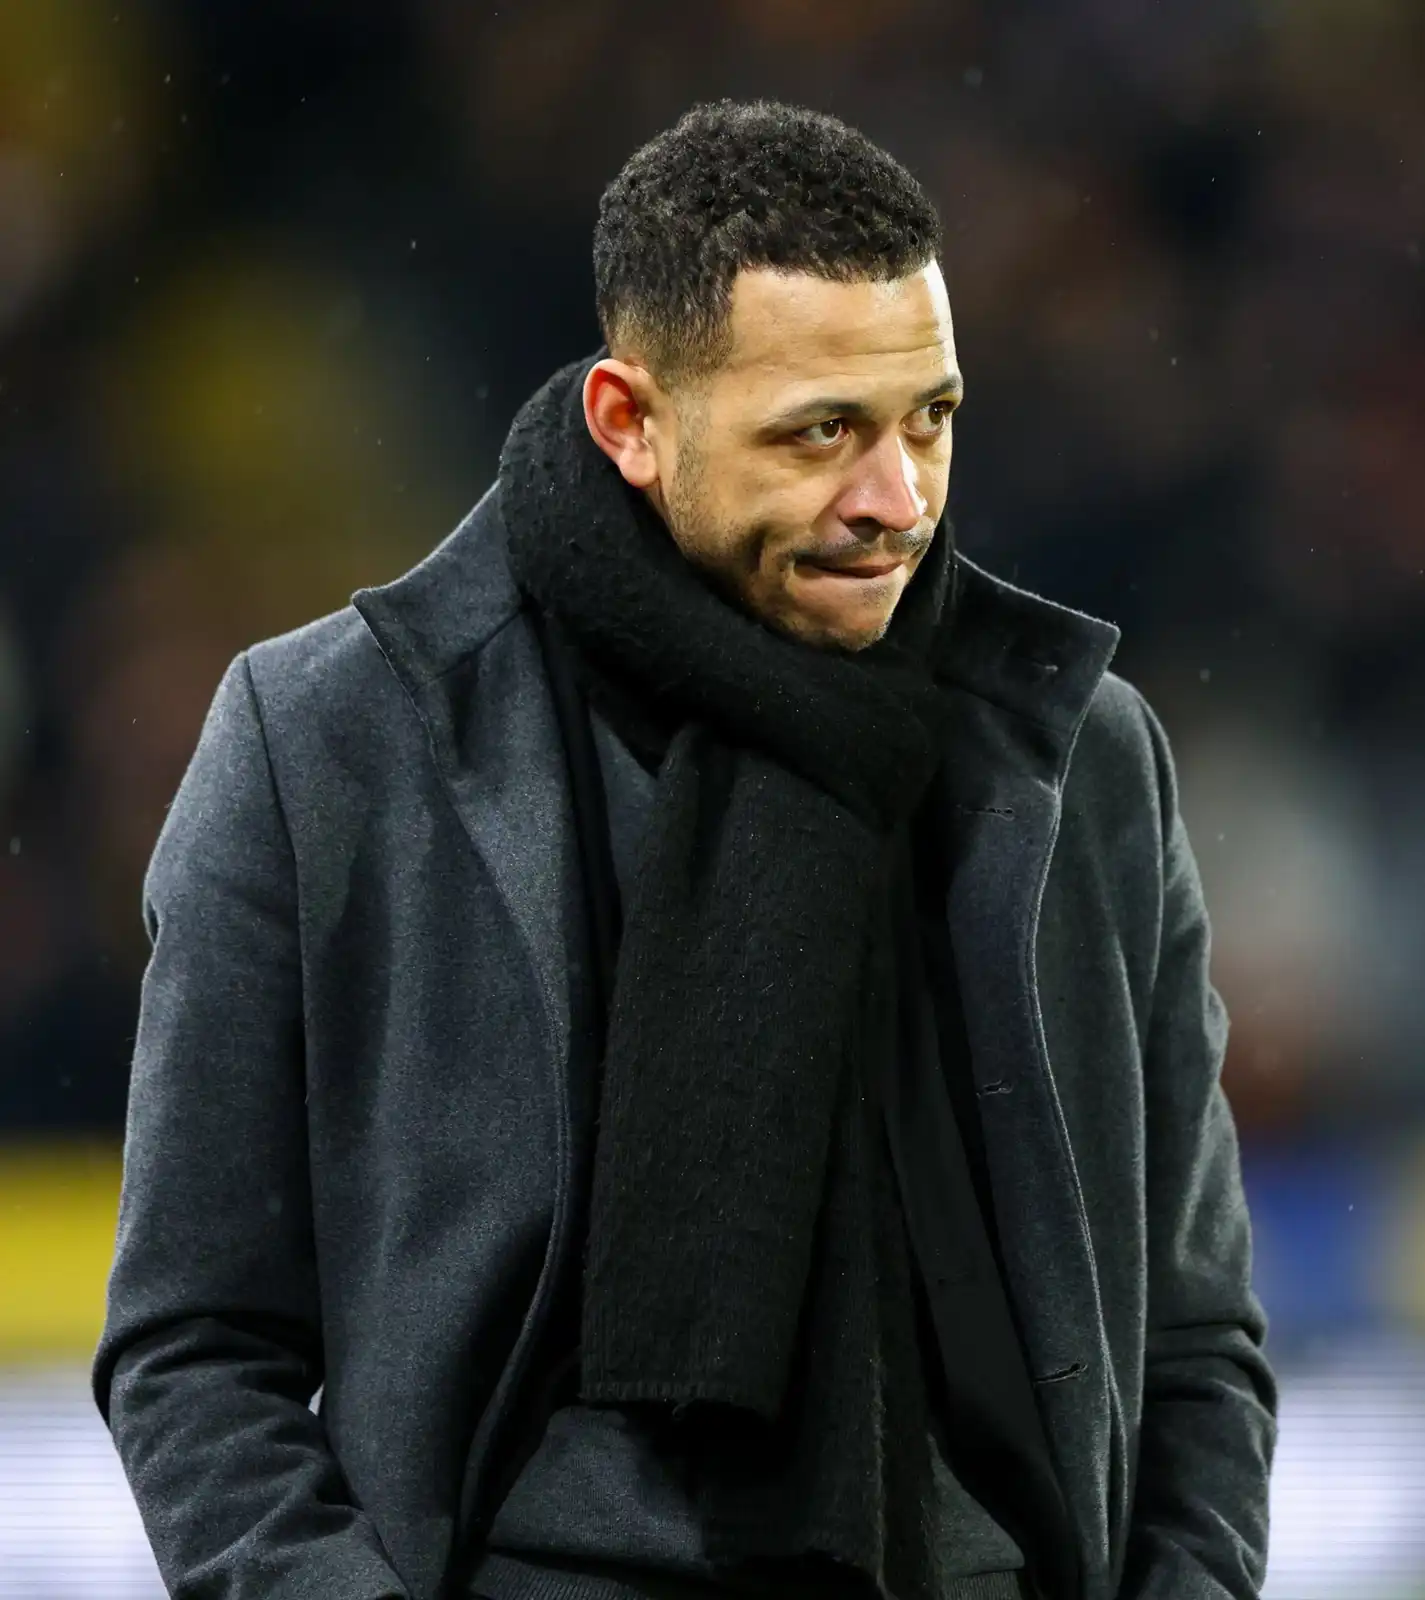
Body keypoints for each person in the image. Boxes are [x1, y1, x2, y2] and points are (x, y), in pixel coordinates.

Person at [93, 100, 1277, 1600]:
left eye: (930, 417)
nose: (897, 501)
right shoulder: (330, 743)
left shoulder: (1081, 755)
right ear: (629, 423)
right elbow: (196, 1344)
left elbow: (1194, 1339)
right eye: (821, 433)